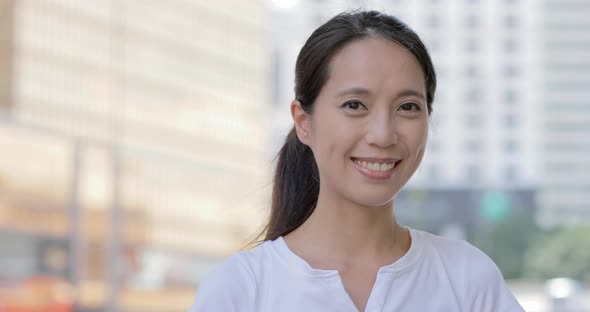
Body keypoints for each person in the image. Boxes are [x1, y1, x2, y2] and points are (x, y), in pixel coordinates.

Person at [189, 10, 524, 312]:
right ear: (304, 122)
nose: (383, 134)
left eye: (407, 107)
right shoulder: (242, 288)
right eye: (354, 105)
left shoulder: (467, 278)